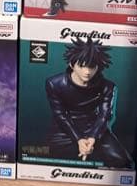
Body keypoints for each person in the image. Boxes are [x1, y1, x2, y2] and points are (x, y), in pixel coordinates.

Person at [45, 37, 130, 167]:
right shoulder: (54, 83)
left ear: (98, 67)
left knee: (122, 160)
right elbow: (60, 115)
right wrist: (78, 139)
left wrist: (92, 137)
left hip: (94, 127)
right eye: (82, 66)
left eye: (92, 67)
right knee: (49, 158)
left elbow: (104, 116)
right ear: (72, 64)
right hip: (65, 129)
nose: (87, 71)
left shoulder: (107, 86)